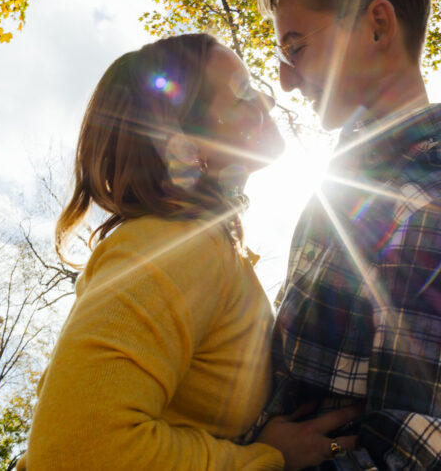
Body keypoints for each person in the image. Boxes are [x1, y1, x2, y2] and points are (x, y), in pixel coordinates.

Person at [20, 33, 361, 471]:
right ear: (187, 141)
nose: (263, 100)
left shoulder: (207, 248)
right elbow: (75, 454)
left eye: (253, 84)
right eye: (240, 95)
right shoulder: (175, 246)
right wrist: (267, 459)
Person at [251, 0, 441, 470]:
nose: (284, 79)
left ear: (377, 25)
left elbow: (413, 459)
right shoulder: (348, 186)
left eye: (296, 46)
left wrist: (262, 464)